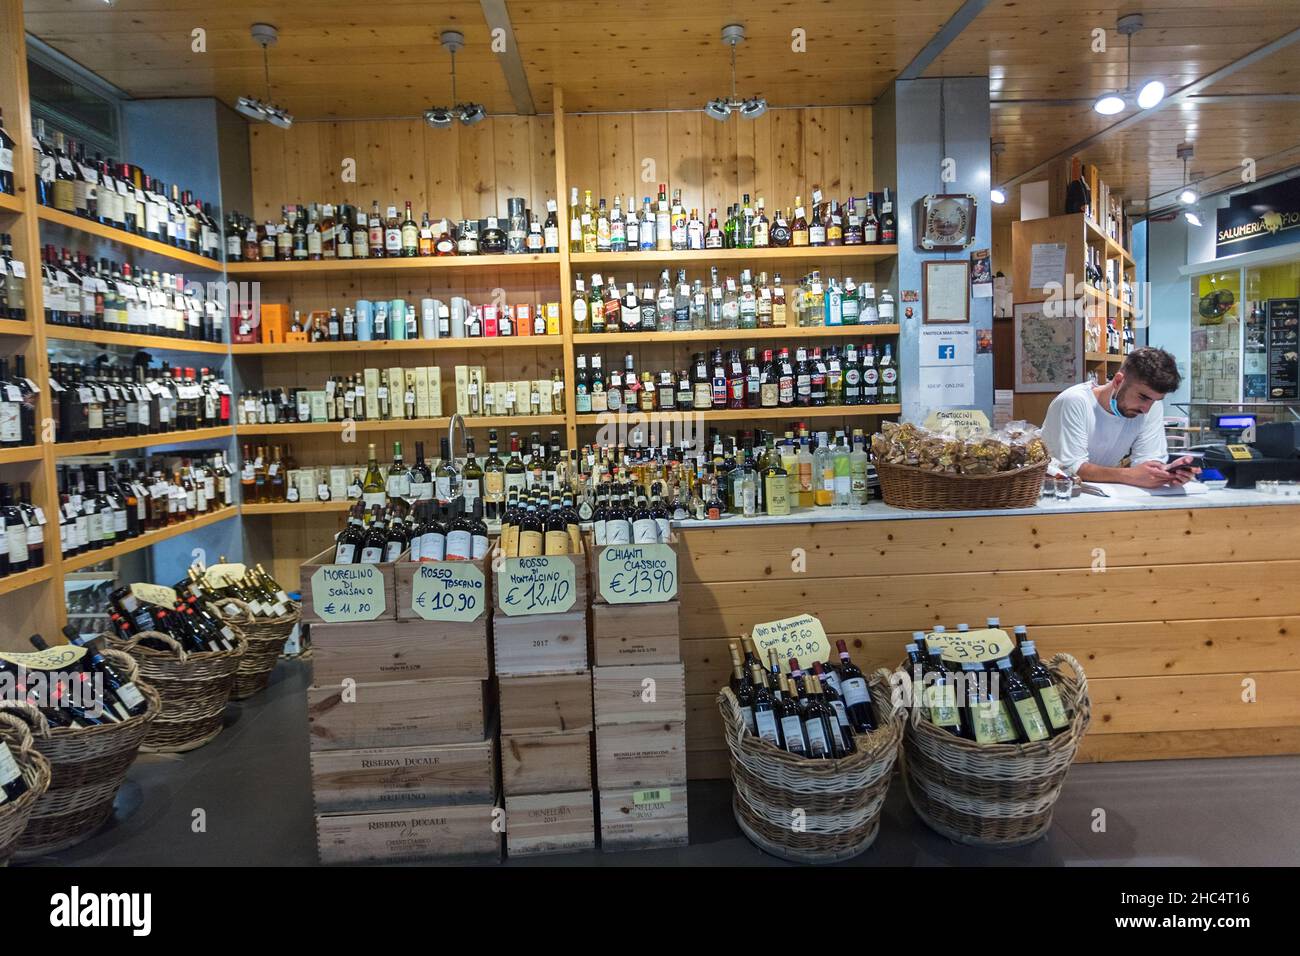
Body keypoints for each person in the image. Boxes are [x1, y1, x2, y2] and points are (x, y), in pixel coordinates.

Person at [1041, 347, 1199, 488]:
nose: (1146, 409)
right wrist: (1129, 475)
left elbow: (1148, 459)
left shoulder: (1151, 406)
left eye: (1155, 400)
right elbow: (1072, 468)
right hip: (1051, 494)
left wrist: (1165, 473)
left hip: (1099, 494)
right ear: (1118, 381)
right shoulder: (1075, 401)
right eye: (1143, 397)